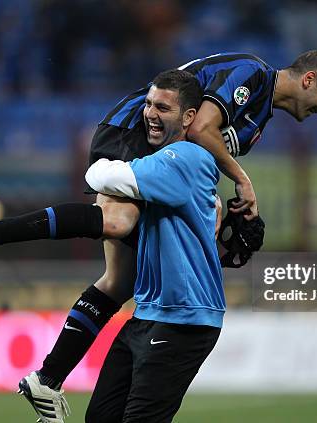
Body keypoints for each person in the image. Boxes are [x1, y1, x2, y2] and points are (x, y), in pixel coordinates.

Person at [0, 50, 317, 421]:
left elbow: (197, 156)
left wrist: (211, 202)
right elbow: (200, 129)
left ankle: (48, 378)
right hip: (133, 131)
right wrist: (242, 181)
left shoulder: (259, 119)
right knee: (118, 222)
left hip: (161, 151)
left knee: (118, 281)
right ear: (309, 79)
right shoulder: (252, 73)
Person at [84, 69, 223, 422]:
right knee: (100, 417)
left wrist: (99, 167)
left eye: (162, 107)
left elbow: (105, 176)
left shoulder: (187, 159)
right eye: (147, 104)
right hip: (148, 312)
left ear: (189, 117)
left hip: (184, 317)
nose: (149, 114)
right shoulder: (160, 163)